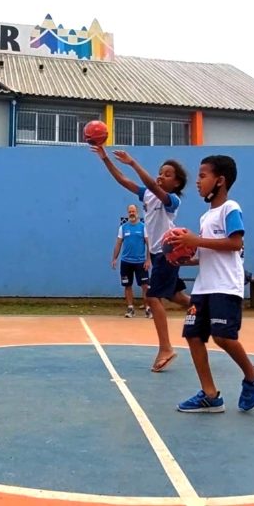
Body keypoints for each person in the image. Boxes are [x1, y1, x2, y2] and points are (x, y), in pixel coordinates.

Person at [168, 155, 254, 413]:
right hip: (203, 287)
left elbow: (235, 244)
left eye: (202, 176)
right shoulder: (205, 217)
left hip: (225, 286)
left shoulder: (230, 208)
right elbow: (203, 253)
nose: (198, 182)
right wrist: (179, 256)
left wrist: (195, 241)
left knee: (223, 337)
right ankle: (210, 395)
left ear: (219, 180)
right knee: (193, 336)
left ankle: (253, 376)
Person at [91, 145, 190, 372]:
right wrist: (105, 158)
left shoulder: (172, 201)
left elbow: (153, 186)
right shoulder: (146, 195)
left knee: (153, 297)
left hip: (168, 254)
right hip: (157, 256)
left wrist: (133, 162)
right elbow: (123, 180)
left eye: (168, 174)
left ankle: (165, 347)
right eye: (160, 171)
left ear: (176, 184)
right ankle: (206, 312)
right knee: (176, 296)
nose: (161, 176)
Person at [111, 204, 152, 318]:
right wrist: (114, 258)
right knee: (127, 285)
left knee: (145, 286)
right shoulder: (123, 228)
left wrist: (148, 260)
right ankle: (130, 309)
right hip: (126, 262)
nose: (131, 213)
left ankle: (148, 309)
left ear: (137, 212)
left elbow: (149, 245)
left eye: (133, 211)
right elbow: (118, 243)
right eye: (130, 211)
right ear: (127, 213)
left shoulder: (143, 227)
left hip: (140, 262)